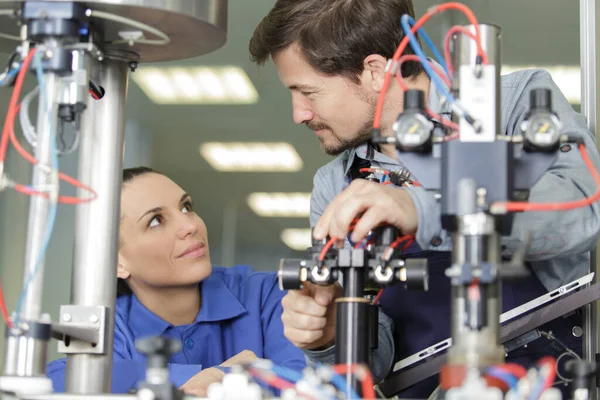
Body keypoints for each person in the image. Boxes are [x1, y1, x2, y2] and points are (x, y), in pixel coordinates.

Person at [249, 0, 600, 397]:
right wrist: (329, 336)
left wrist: (423, 209)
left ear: (375, 71)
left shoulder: (513, 105)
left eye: (307, 91)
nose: (299, 113)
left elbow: (583, 209)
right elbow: (372, 362)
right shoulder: (336, 186)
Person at [46, 167, 306, 396]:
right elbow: (58, 381)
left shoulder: (267, 294)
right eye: (156, 221)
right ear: (117, 263)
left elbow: (302, 384)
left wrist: (146, 383)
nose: (189, 225)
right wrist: (218, 376)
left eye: (186, 207)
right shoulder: (104, 323)